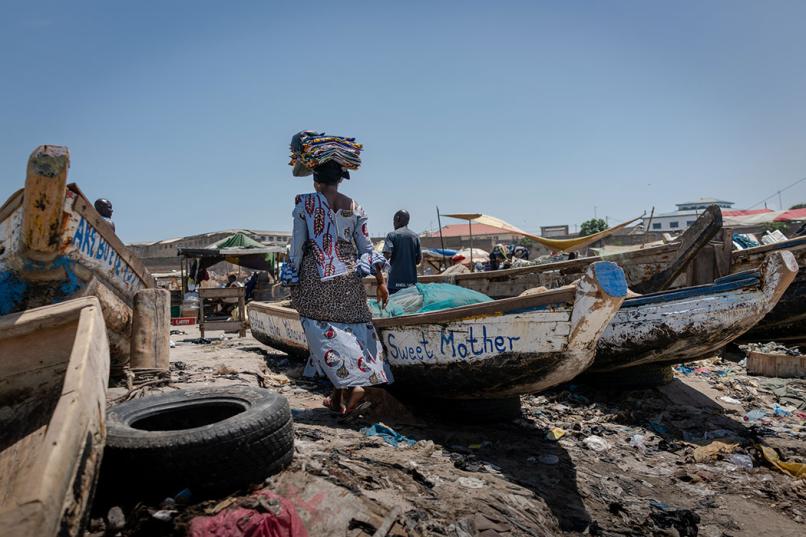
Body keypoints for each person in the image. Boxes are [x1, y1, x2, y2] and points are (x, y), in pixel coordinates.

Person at [281, 158, 392, 414]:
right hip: (349, 275)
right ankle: (339, 398)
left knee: (324, 333)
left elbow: (298, 246)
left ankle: (351, 389)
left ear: (315, 179)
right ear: (340, 179)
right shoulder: (355, 207)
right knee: (351, 330)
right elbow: (366, 248)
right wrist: (381, 282)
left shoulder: (305, 203)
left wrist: (292, 277)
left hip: (316, 276)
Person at [383, 210, 422, 294]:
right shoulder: (415, 237)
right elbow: (418, 260)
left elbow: (386, 255)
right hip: (411, 286)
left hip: (395, 285)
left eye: (393, 221)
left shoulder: (391, 235)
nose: (393, 223)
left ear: (398, 218)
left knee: (394, 306)